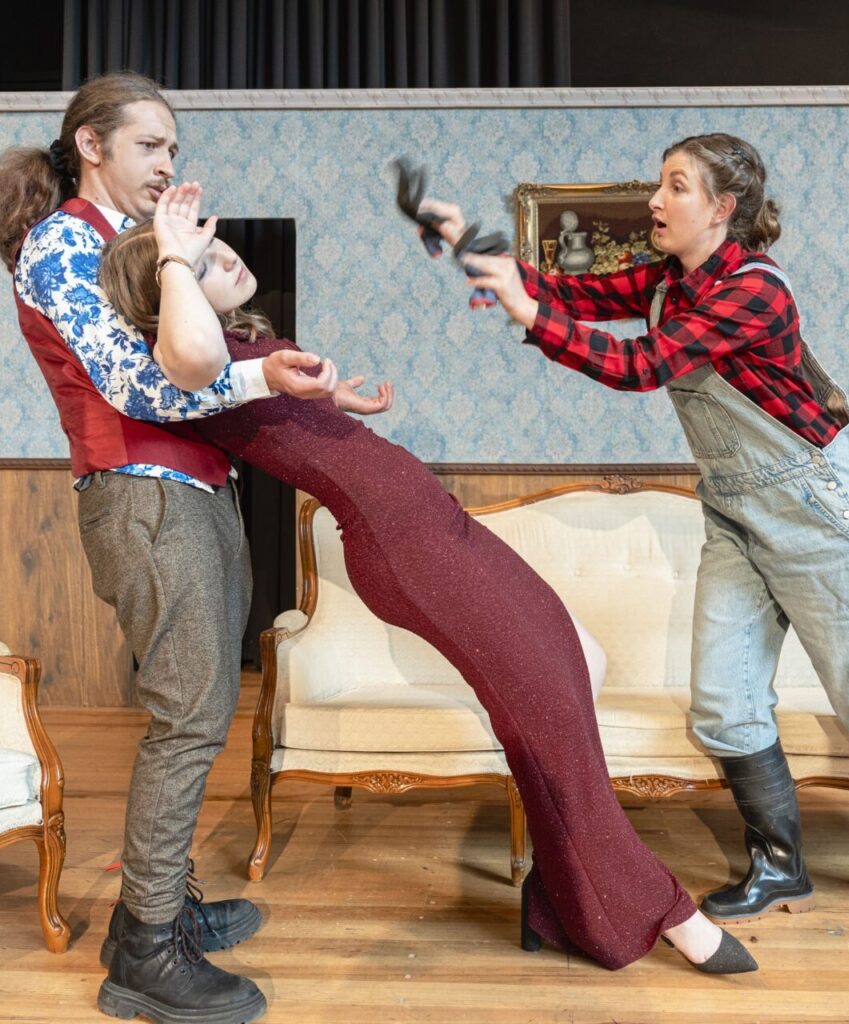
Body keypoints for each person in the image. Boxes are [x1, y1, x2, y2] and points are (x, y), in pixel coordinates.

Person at [95, 198, 758, 976]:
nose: (228, 257)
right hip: (405, 548)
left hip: (437, 526)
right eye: (202, 262)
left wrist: (335, 402)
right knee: (545, 708)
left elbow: (274, 412)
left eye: (215, 247)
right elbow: (193, 359)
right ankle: (660, 909)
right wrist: (173, 257)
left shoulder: (239, 351)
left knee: (582, 660)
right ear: (169, 294)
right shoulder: (186, 360)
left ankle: (562, 894)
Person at [453, 132, 849, 937]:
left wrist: (529, 311)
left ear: (722, 208)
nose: (655, 200)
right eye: (660, 183)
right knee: (724, 702)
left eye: (676, 186)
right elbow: (576, 296)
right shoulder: (666, 280)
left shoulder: (755, 292)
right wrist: (495, 266)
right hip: (734, 509)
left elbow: (643, 366)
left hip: (815, 508)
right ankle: (779, 867)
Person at [0, 72, 357, 1024]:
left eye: (174, 149)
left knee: (203, 706)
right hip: (141, 493)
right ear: (91, 144)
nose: (167, 164)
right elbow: (136, 385)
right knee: (189, 715)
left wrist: (279, 378)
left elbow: (198, 361)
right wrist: (260, 375)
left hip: (195, 488)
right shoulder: (63, 243)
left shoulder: (134, 243)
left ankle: (155, 910)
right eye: (150, 145)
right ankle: (146, 952)